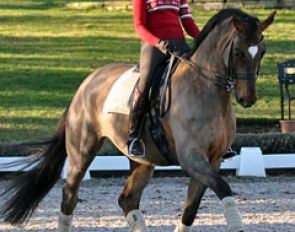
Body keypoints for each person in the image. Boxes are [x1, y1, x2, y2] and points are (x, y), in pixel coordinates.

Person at [128, 0, 201, 157]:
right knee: (145, 84)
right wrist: (158, 42)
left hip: (180, 45)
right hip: (154, 46)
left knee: (201, 75)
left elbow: (187, 21)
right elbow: (139, 27)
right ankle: (135, 136)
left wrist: (205, 38)